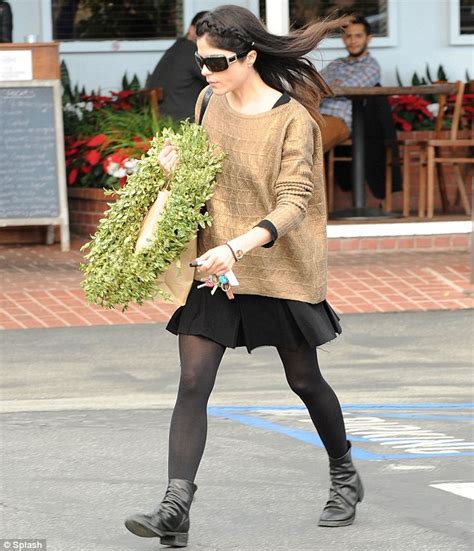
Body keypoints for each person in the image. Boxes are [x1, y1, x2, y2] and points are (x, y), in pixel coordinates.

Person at [125, 5, 363, 547]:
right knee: (192, 381)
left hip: (277, 266)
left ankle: (345, 474)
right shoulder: (210, 101)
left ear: (250, 56)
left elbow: (295, 202)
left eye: (216, 62)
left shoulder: (292, 121)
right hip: (217, 267)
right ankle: (175, 507)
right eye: (200, 61)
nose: (204, 72)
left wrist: (240, 245)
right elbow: (201, 165)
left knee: (303, 379)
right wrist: (170, 163)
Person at [319, 15, 381, 152]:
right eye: (349, 36)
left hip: (339, 119)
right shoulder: (336, 63)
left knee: (311, 145)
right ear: (343, 39)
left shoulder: (371, 66)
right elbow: (313, 84)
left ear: (368, 39)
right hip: (315, 115)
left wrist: (325, 89)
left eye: (358, 36)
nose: (353, 41)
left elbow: (345, 89)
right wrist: (327, 88)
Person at [146, 11, 208, 121]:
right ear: (191, 30)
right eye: (202, 30)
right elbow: (220, 81)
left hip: (166, 117)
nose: (207, 36)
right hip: (183, 121)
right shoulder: (192, 51)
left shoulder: (177, 48)